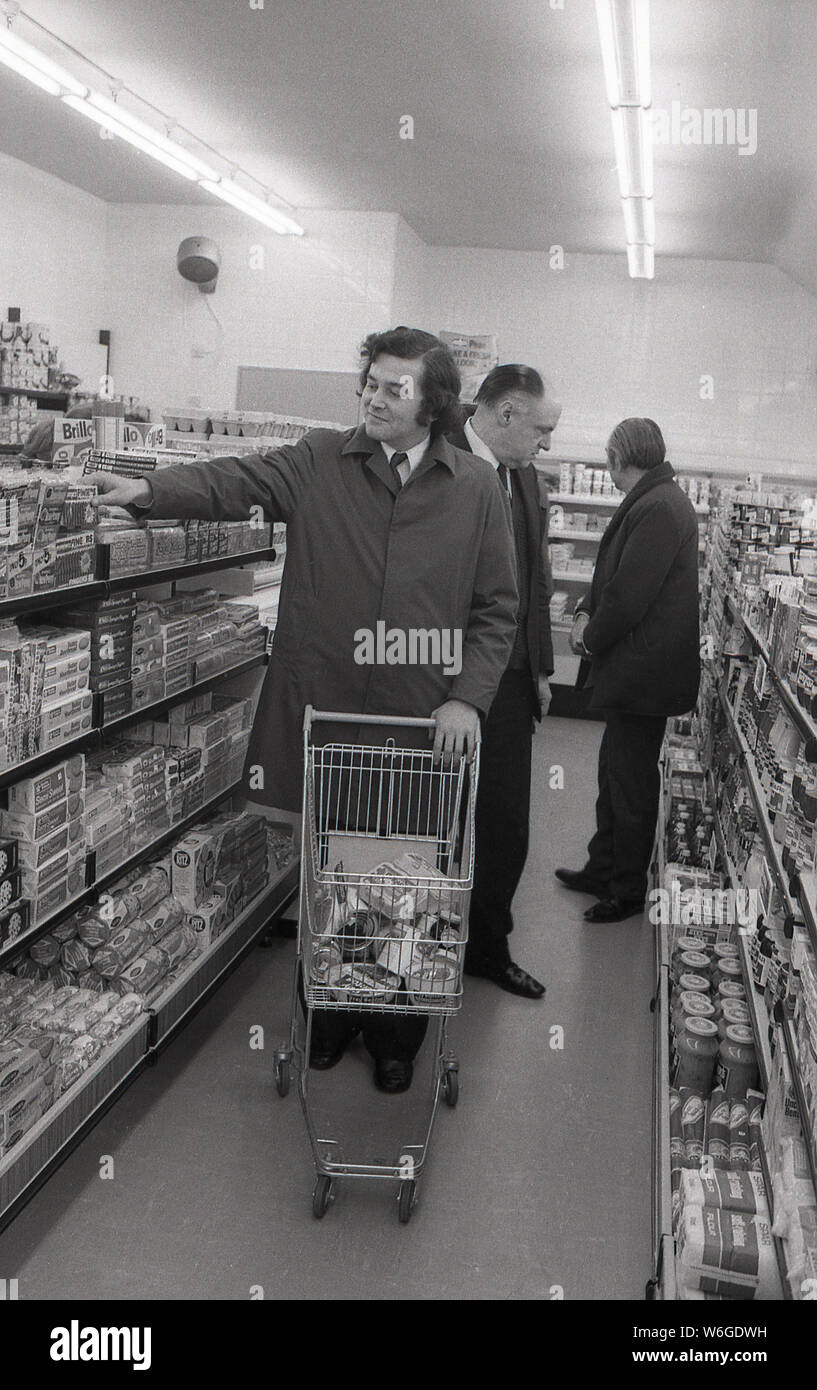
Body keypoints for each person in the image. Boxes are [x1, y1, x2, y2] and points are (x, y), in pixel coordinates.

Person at [93, 326, 519, 1092]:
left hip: (417, 723)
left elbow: (496, 611)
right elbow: (237, 480)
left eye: (396, 388)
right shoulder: (323, 459)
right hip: (323, 712)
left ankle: (393, 1033)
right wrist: (149, 491)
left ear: (435, 404)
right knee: (327, 869)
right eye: (370, 383)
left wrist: (467, 700)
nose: (374, 397)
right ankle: (327, 1016)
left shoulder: (476, 489)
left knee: (405, 878)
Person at [555, 418, 700, 922]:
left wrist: (590, 637)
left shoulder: (659, 506)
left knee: (631, 784)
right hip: (637, 672)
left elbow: (629, 595)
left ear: (621, 456)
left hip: (645, 675)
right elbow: (611, 574)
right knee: (614, 773)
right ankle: (603, 868)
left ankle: (626, 890)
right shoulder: (652, 498)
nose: (606, 465)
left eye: (608, 455)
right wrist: (583, 611)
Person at [447, 364, 561, 997]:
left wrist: (540, 667)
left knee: (505, 821)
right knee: (433, 813)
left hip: (513, 677)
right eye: (542, 428)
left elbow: (536, 582)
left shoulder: (525, 479)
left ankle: (487, 946)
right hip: (444, 672)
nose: (547, 442)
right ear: (508, 413)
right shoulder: (445, 459)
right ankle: (413, 941)